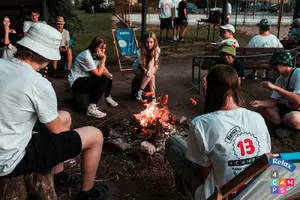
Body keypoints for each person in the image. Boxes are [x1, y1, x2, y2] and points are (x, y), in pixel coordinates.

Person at [0, 23, 108, 200]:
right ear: (46, 57)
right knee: (95, 135)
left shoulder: (2, 63)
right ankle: (87, 193)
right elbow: (58, 132)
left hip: (6, 136)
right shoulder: (38, 83)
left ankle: (59, 176)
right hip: (9, 158)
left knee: (64, 116)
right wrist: (73, 143)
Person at [166, 65, 271, 200]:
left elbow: (206, 174)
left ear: (210, 89)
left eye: (206, 83)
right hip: (255, 193)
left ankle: (186, 194)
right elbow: (265, 156)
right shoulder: (258, 118)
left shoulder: (200, 124)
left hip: (219, 196)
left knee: (173, 144)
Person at [250, 50, 300, 137]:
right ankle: (281, 126)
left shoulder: (298, 73)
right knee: (263, 108)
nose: (273, 68)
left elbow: (298, 99)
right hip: (286, 108)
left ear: (283, 63)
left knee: (293, 118)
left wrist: (275, 87)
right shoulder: (280, 79)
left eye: (275, 65)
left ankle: (283, 123)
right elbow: (273, 101)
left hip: (297, 111)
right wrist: (259, 103)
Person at [68, 36, 118, 118]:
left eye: (104, 48)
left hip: (87, 78)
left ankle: (107, 96)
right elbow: (98, 73)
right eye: (100, 48)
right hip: (76, 82)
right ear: (94, 46)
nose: (102, 51)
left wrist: (109, 74)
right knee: (103, 79)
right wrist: (104, 59)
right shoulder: (86, 55)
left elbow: (102, 68)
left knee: (107, 77)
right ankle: (91, 108)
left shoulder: (96, 54)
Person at [133, 32, 160, 103]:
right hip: (139, 67)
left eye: (151, 42)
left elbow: (152, 61)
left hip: (152, 65)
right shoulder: (140, 51)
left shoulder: (157, 49)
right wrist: (145, 70)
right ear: (144, 42)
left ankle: (140, 92)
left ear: (154, 42)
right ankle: (153, 98)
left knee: (151, 74)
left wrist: (149, 70)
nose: (149, 44)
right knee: (152, 76)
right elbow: (142, 64)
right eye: (147, 42)